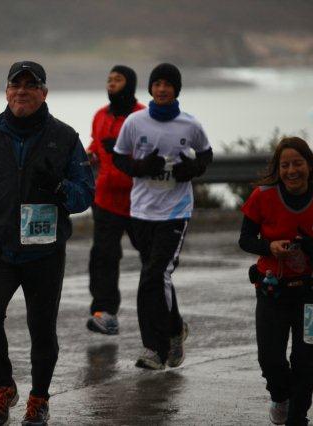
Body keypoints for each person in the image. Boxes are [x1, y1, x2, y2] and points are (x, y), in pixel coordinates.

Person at [0, 61, 94, 426]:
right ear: (6, 92)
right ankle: (3, 390)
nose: (22, 91)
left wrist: (61, 188)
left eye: (30, 85)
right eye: (15, 85)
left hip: (44, 251)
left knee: (42, 328)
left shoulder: (65, 137)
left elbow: (85, 194)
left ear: (44, 93)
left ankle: (39, 399)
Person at [239, 137, 313, 425]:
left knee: (307, 363)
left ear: (309, 165)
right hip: (272, 291)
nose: (291, 171)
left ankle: (297, 418)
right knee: (270, 360)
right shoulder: (262, 196)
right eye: (284, 165)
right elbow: (245, 239)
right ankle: (280, 396)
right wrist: (269, 247)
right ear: (278, 169)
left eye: (297, 163)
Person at [113, 63, 213, 370]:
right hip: (142, 212)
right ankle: (175, 330)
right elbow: (119, 156)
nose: (162, 89)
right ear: (151, 88)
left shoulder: (189, 125)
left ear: (176, 90)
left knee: (154, 277)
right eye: (157, 84)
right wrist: (140, 167)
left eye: (168, 84)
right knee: (156, 277)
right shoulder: (135, 122)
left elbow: (206, 154)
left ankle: (154, 349)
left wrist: (192, 169)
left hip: (175, 212)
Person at [86, 65, 146, 335]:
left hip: (140, 202)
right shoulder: (100, 115)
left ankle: (161, 312)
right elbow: (96, 146)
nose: (111, 83)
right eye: (109, 79)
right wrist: (90, 155)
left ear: (129, 84)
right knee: (103, 257)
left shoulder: (143, 116)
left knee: (152, 259)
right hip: (106, 199)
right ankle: (105, 313)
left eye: (118, 80)